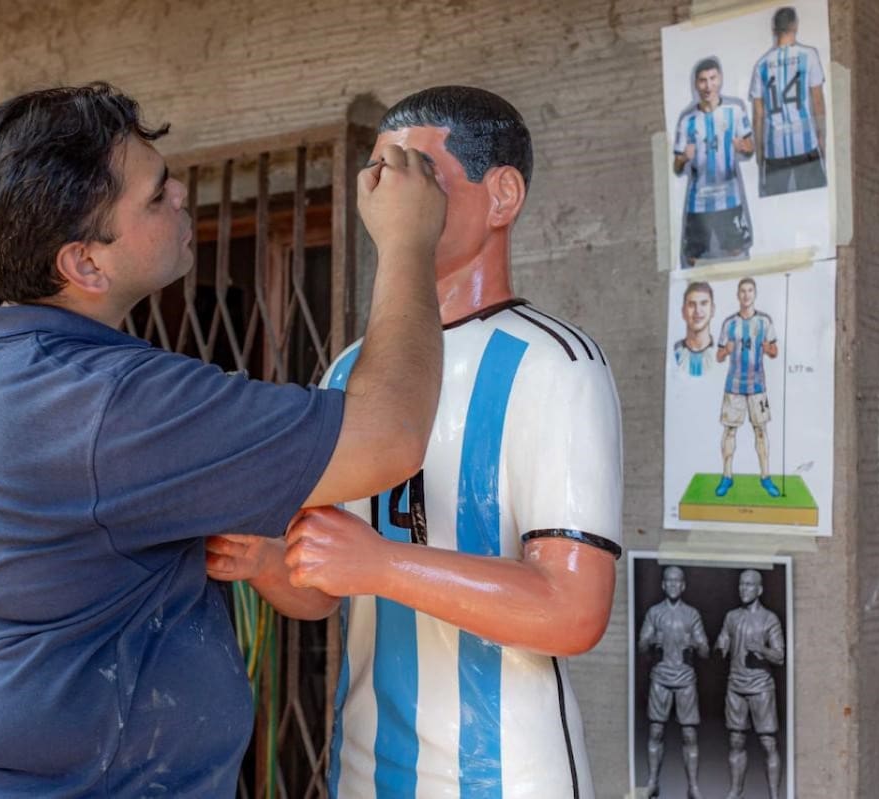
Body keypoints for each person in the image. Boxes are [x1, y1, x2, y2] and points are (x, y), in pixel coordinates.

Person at [0, 83, 448, 797]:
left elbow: (303, 586)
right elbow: (391, 435)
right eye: (156, 197)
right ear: (84, 264)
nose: (182, 193)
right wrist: (408, 243)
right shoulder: (105, 403)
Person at [207, 85, 623, 798]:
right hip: (363, 759)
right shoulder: (352, 368)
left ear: (502, 196)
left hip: (504, 773)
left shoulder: (555, 362)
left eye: (418, 174)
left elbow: (572, 608)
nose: (388, 194)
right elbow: (326, 591)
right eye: (379, 173)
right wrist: (270, 562)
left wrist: (381, 563)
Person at [674, 58, 754, 267]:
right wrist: (683, 158)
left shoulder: (735, 111)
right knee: (693, 258)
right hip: (698, 202)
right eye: (702, 81)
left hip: (729, 198)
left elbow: (750, 147)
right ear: (695, 84)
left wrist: (745, 148)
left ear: (720, 79)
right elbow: (676, 166)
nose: (708, 86)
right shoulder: (687, 121)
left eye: (712, 78)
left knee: (736, 251)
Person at [637, 566, 709, 799]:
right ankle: (652, 781)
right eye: (669, 581)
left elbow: (706, 651)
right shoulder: (654, 613)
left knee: (690, 734)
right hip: (660, 677)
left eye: (677, 581)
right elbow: (641, 647)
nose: (673, 585)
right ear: (663, 584)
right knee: (656, 731)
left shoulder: (692, 614)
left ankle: (693, 786)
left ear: (684, 585)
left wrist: (697, 644)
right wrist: (649, 640)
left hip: (685, 678)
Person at [715, 569, 785, 799]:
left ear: (759, 589)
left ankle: (774, 794)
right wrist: (719, 648)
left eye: (749, 585)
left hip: (761, 687)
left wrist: (762, 649)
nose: (743, 589)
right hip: (735, 686)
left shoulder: (769, 619)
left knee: (767, 742)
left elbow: (780, 656)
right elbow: (722, 642)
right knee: (736, 740)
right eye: (741, 585)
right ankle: (736, 790)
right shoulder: (731, 617)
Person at [750, 6, 828, 197]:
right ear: (795, 26)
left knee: (777, 210)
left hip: (774, 150)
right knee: (813, 204)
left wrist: (760, 152)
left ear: (773, 30)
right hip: (806, 146)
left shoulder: (761, 65)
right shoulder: (809, 55)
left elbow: (758, 115)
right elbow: (817, 101)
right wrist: (822, 138)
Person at [714, 277, 780, 498]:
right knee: (730, 430)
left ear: (755, 294)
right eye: (742, 291)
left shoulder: (764, 322)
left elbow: (774, 351)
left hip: (757, 386)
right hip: (734, 385)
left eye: (750, 290)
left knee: (761, 430)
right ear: (738, 295)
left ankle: (766, 477)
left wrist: (768, 348)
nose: (746, 295)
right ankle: (726, 476)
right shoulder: (729, 324)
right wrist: (726, 350)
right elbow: (719, 355)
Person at [674, 281, 716, 377]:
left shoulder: (720, 352)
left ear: (712, 310)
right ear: (683, 312)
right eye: (692, 305)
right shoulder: (675, 352)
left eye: (704, 303)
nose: (697, 311)